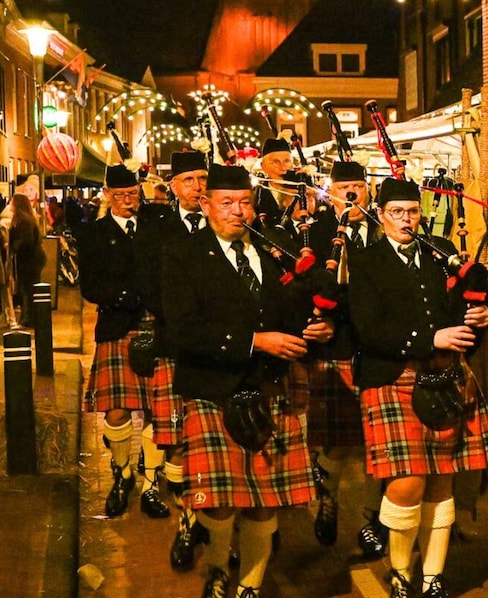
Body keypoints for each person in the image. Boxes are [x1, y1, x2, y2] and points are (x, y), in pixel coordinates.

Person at [161, 162, 332, 598]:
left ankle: (250, 586)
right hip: (213, 390)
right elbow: (183, 330)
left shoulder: (274, 251)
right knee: (220, 503)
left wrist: (316, 328)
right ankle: (219, 567)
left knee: (263, 501)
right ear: (206, 205)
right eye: (226, 203)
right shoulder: (183, 255)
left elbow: (298, 309)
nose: (237, 211)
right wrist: (254, 341)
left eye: (244, 203)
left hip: (270, 389)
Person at [349, 178, 488, 598]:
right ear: (380, 215)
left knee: (441, 480)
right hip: (392, 377)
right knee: (407, 483)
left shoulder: (440, 253)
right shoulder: (365, 261)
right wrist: (429, 339)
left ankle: (433, 576)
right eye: (396, 212)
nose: (406, 220)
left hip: (445, 376)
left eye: (413, 212)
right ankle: (401, 572)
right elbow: (367, 328)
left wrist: (486, 314)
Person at [302, 160, 389, 558]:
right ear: (331, 193)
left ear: (369, 191)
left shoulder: (383, 230)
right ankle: (329, 495)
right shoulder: (315, 232)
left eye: (359, 186)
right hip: (334, 343)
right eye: (344, 187)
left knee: (377, 441)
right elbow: (301, 286)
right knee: (337, 444)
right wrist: (314, 324)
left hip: (377, 344)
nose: (352, 194)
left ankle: (372, 519)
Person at [78, 164, 171, 520]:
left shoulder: (156, 226)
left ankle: (150, 483)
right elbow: (90, 286)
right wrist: (127, 297)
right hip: (117, 326)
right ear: (107, 195)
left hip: (157, 326)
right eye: (119, 195)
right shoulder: (95, 234)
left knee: (157, 410)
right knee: (116, 410)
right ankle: (122, 474)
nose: (127, 201)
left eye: (132, 194)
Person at [135, 150, 210, 570]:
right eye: (189, 180)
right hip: (173, 344)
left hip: (217, 350)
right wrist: (186, 320)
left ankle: (209, 520)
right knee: (179, 443)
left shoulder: (224, 223)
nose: (197, 187)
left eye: (202, 178)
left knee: (211, 443)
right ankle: (188, 523)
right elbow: (149, 286)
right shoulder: (156, 229)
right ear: (174, 186)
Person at [7, 193, 47, 326]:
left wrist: (14, 246)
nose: (10, 204)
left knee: (28, 289)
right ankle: (28, 317)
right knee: (27, 289)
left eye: (12, 202)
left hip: (30, 259)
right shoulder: (24, 218)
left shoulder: (23, 220)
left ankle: (29, 319)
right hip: (31, 258)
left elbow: (26, 240)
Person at [252, 137, 295, 227]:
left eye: (287, 161)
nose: (283, 168)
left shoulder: (302, 193)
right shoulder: (256, 198)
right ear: (263, 166)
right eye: (276, 162)